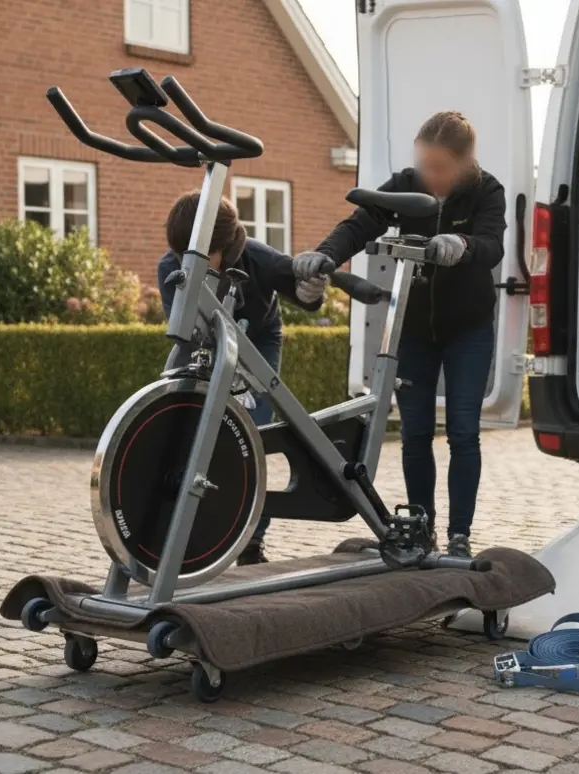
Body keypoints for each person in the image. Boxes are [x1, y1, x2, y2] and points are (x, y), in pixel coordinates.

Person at [292, 111, 506, 558]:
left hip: (468, 330)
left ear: (465, 162)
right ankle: (420, 528)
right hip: (414, 329)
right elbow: (359, 223)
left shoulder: (487, 191)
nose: (431, 176)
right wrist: (325, 255)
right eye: (425, 165)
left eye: (441, 168)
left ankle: (460, 536)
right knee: (414, 433)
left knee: (464, 431)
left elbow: (491, 245)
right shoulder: (406, 185)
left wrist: (460, 245)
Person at [157, 191, 326, 564]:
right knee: (188, 432)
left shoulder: (259, 259)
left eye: (200, 256)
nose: (188, 263)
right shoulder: (170, 266)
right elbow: (184, 332)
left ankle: (251, 543)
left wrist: (312, 290)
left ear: (224, 247)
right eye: (181, 255)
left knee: (253, 437)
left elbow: (304, 294)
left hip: (259, 340)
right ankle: (183, 531)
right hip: (204, 338)